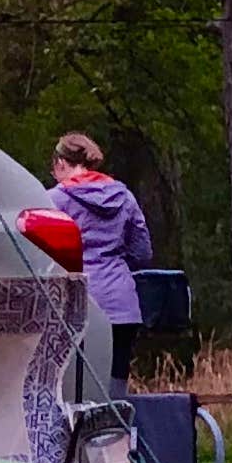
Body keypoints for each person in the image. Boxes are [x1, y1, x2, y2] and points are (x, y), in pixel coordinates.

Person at [49, 131, 154, 387]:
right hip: (121, 306)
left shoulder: (53, 200)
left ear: (62, 163)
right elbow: (143, 253)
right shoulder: (124, 197)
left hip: (74, 304)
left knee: (73, 387)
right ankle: (117, 427)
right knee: (115, 385)